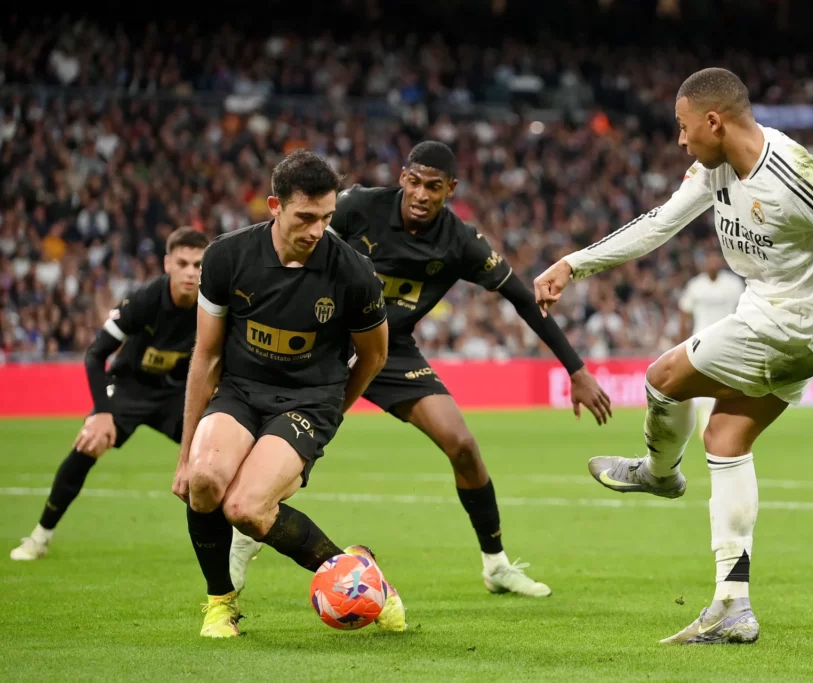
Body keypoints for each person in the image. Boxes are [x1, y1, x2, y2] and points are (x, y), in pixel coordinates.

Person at [533, 68, 813, 645]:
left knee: (662, 379)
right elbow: (658, 222)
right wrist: (573, 264)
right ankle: (733, 606)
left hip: (792, 324)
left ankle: (657, 474)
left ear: (714, 121)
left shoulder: (796, 175)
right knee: (726, 442)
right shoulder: (717, 168)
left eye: (683, 128)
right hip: (795, 327)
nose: (680, 141)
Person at [245, 140, 607, 598]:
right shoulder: (358, 207)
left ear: (450, 189)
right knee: (301, 447)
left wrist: (575, 368)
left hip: (391, 349)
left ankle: (495, 564)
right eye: (414, 182)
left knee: (462, 445)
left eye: (433, 187)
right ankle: (249, 524)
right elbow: (293, 242)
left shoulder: (461, 241)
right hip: (329, 341)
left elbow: (520, 296)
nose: (420, 194)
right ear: (402, 178)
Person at [171, 149, 405, 638]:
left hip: (308, 400)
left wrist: (330, 414)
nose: (317, 229)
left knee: (247, 510)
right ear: (274, 205)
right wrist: (183, 455)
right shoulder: (227, 256)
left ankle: (362, 579)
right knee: (206, 480)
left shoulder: (352, 272)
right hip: (239, 390)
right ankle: (220, 604)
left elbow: (375, 356)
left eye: (326, 217)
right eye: (306, 216)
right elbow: (207, 356)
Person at [10, 227, 209, 561]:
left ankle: (236, 536)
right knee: (88, 444)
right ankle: (39, 537)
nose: (191, 272)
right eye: (183, 263)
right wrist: (101, 412)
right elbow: (95, 354)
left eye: (198, 264)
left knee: (215, 451)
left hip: (177, 395)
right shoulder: (143, 299)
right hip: (130, 387)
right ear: (167, 264)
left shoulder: (212, 305)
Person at [678, 252, 744, 438]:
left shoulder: (733, 284)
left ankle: (727, 421)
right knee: (706, 381)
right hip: (701, 340)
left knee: (727, 382)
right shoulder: (695, 286)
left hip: (728, 339)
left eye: (715, 260)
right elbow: (685, 313)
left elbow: (743, 309)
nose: (712, 263)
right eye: (709, 260)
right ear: (704, 264)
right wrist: (681, 342)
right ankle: (705, 421)